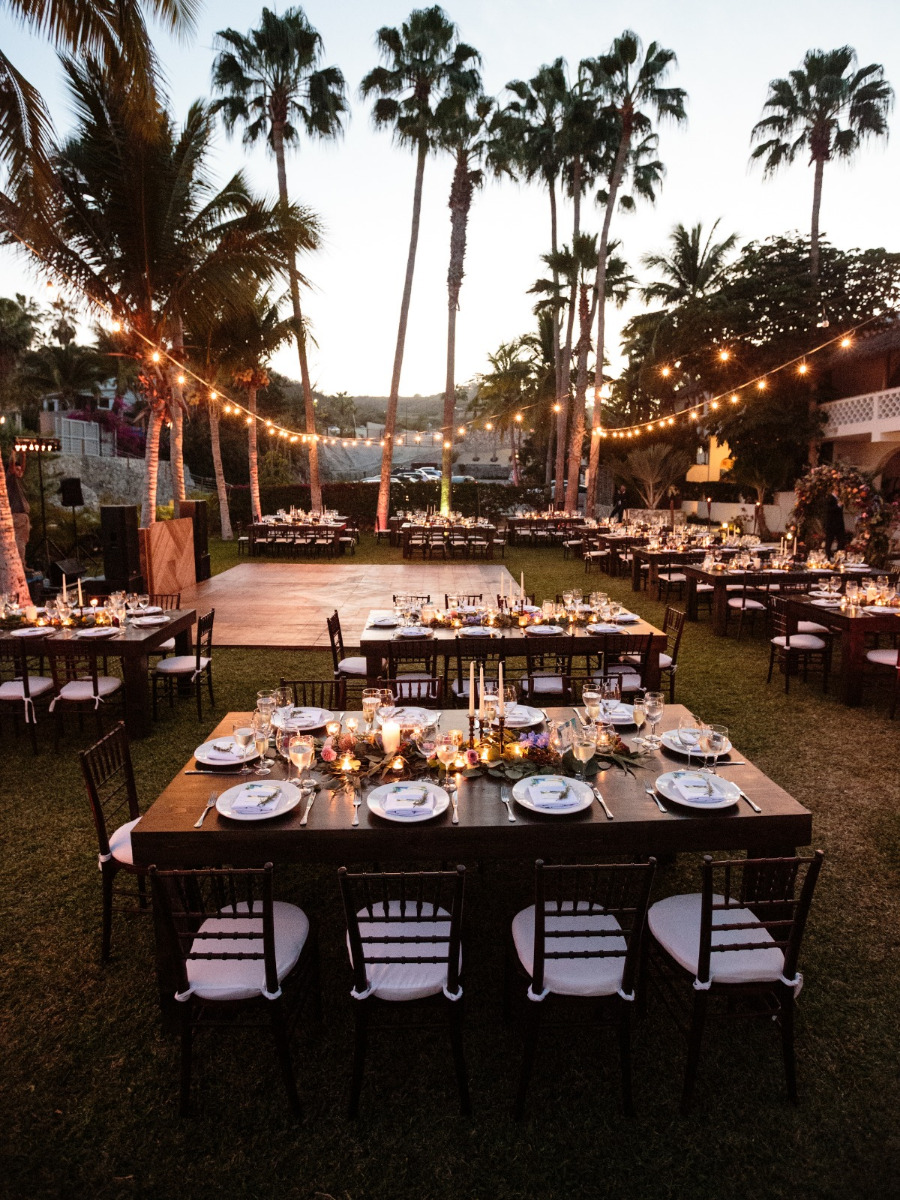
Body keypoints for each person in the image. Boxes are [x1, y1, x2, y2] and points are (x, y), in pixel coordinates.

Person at [824, 488, 847, 554]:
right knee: (829, 541)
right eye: (837, 490)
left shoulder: (838, 499)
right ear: (834, 491)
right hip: (832, 524)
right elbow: (829, 510)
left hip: (838, 524)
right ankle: (828, 555)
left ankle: (838, 554)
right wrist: (838, 505)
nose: (838, 492)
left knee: (841, 541)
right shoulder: (830, 498)